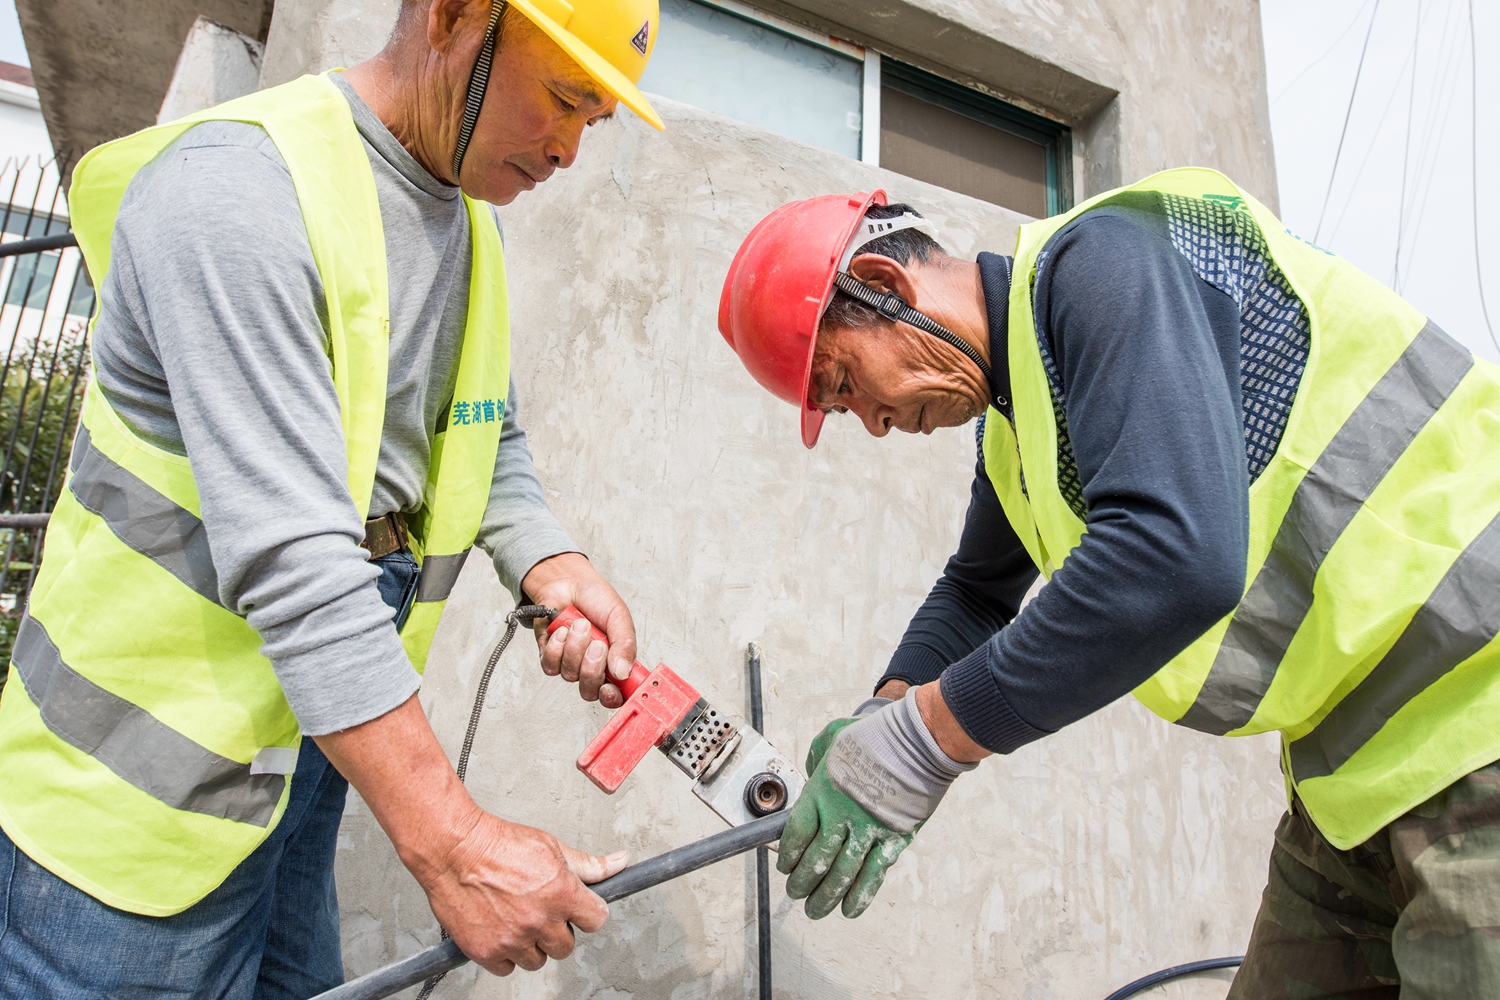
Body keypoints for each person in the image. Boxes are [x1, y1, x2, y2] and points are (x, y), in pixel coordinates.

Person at [0, 1, 665, 996]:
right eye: (566, 98)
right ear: (454, 15)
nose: (569, 147)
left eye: (595, 121)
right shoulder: (240, 192)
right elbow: (299, 564)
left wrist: (547, 560)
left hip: (298, 768)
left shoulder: (462, 228)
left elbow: (487, 431)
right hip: (130, 803)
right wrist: (454, 842)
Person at [717, 171, 1500, 998]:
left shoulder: (1104, 264)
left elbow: (1175, 557)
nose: (872, 423)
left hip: (1474, 707)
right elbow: (978, 591)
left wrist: (924, 742)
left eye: (844, 384)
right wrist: (885, 713)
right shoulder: (1018, 426)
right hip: (1355, 774)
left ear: (884, 288)